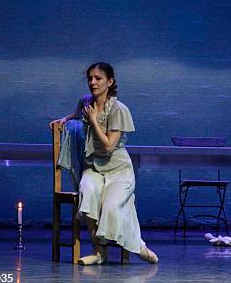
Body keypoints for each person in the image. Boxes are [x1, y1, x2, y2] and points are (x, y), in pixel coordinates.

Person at [50, 62, 158, 265]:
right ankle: (99, 251)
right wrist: (63, 120)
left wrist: (92, 121)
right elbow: (76, 115)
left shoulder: (118, 109)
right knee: (87, 192)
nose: (92, 82)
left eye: (98, 78)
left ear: (110, 82)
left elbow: (109, 146)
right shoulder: (85, 103)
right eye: (90, 78)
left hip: (118, 170)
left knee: (111, 206)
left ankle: (137, 245)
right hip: (94, 169)